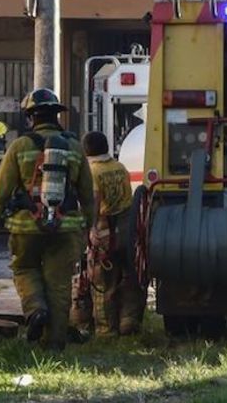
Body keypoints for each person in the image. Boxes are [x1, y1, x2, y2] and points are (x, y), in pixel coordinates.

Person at [0, 89, 94, 350]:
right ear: (57, 116)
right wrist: (88, 227)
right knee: (59, 285)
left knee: (24, 268)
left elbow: (0, 191)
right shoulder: (75, 148)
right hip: (66, 229)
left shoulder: (19, 146)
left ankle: (35, 310)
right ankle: (54, 344)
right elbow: (87, 195)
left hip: (26, 228)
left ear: (31, 117)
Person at [80, 131, 145, 336]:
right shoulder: (120, 167)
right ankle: (129, 321)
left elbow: (94, 204)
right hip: (128, 232)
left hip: (105, 235)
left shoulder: (92, 172)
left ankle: (106, 331)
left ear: (86, 150)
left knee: (103, 284)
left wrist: (91, 232)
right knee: (130, 278)